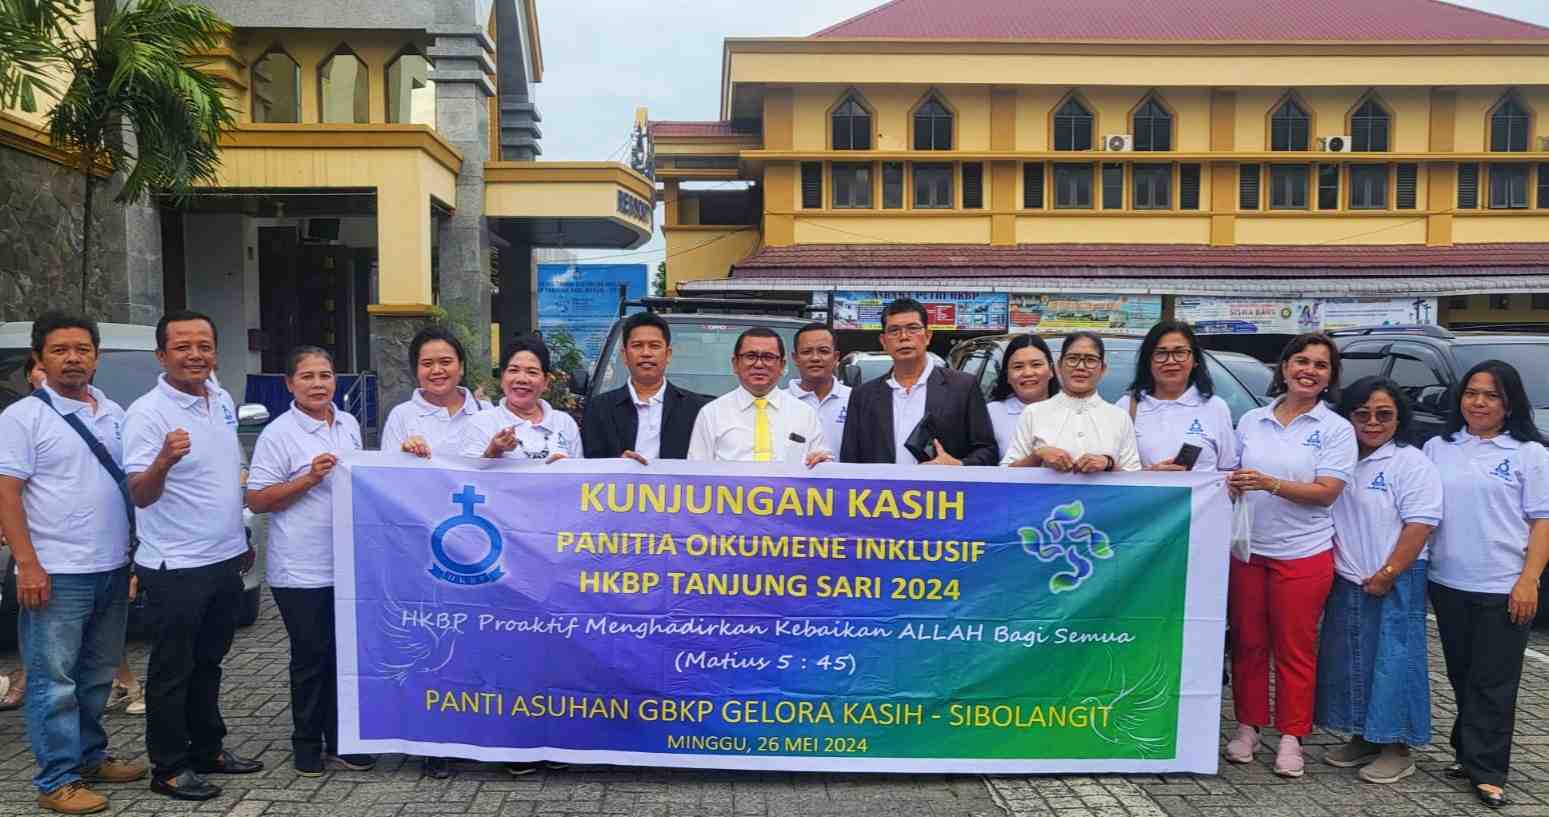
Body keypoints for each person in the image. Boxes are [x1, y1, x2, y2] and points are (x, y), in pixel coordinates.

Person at [0, 312, 148, 814]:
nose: (72, 358)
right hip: (55, 571)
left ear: (96, 357)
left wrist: (131, 561)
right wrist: (28, 564)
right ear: (39, 358)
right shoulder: (23, 418)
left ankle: (89, 758)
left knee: (97, 675)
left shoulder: (115, 413)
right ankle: (55, 781)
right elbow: (7, 494)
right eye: (60, 350)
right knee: (53, 682)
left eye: (82, 349)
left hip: (111, 567)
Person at [124, 310, 264, 801]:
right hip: (176, 565)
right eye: (182, 346)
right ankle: (168, 767)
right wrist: (163, 460)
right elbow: (140, 494)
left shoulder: (220, 398)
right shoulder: (146, 413)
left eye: (204, 345)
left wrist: (240, 542)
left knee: (209, 662)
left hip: (224, 557)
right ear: (161, 355)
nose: (195, 355)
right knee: (172, 670)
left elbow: (224, 475)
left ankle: (207, 749)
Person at [1224, 332, 1355, 778]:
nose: (1309, 371)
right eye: (1301, 361)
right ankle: (1248, 727)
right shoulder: (1252, 420)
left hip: (1303, 553)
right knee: (1247, 645)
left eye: (1320, 365)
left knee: (1294, 650)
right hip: (1248, 550)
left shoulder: (1335, 429)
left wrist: (1270, 484)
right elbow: (1231, 474)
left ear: (1330, 376)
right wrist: (1232, 483)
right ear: (1284, 368)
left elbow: (1327, 492)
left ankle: (1292, 736)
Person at [246, 347, 377, 778]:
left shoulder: (349, 424)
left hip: (347, 562)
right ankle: (305, 743)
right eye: (307, 376)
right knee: (310, 656)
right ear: (289, 384)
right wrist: (309, 478)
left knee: (343, 656)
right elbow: (257, 499)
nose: (318, 384)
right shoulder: (278, 434)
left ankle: (341, 740)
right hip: (300, 568)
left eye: (325, 375)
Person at [1424, 360, 1549, 809]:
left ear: (1509, 403)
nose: (1479, 402)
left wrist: (1529, 580)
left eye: (1492, 395)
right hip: (1447, 581)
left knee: (1494, 682)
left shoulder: (1530, 453)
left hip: (1503, 585)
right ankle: (1467, 752)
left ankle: (1488, 771)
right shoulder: (1438, 447)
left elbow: (1542, 522)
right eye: (1472, 392)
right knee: (1462, 675)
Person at [1315, 377, 1441, 784]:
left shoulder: (1410, 462)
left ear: (1399, 418)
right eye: (1362, 414)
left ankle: (1397, 748)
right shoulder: (1341, 457)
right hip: (1349, 578)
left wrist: (1389, 573)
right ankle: (1364, 737)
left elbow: (1421, 524)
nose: (1372, 423)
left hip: (1394, 577)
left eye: (1384, 415)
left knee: (1393, 664)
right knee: (1352, 661)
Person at [840, 299, 997, 465]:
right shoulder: (863, 396)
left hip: (942, 482)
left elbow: (988, 451)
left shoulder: (963, 387)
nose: (904, 337)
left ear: (928, 336)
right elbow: (850, 460)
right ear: (884, 341)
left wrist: (959, 464)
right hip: (881, 484)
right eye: (894, 331)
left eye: (913, 328)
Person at [688, 328, 830, 466]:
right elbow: (695, 472)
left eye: (768, 357)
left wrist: (821, 463)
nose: (759, 364)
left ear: (782, 365)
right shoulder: (711, 413)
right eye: (750, 356)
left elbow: (821, 469)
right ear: (735, 364)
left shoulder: (805, 414)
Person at [1002, 331, 1141, 472]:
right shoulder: (1033, 413)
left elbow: (1134, 477)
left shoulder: (1119, 418)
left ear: (1103, 369)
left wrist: (1108, 463)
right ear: (1059, 366)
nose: (1080, 367)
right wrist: (1038, 455)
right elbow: (1005, 473)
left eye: (1090, 360)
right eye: (1072, 359)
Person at [581, 312, 709, 462]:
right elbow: (589, 464)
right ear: (624, 355)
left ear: (668, 354)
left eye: (654, 346)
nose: (646, 353)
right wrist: (617, 464)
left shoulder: (696, 409)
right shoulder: (599, 408)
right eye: (637, 346)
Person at [1115, 320, 1236, 472]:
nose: (1171, 361)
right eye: (1161, 353)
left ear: (1195, 360)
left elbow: (1228, 470)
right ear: (1148, 361)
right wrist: (1150, 473)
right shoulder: (1126, 407)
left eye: (1180, 353)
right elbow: (1112, 470)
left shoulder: (1215, 407)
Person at [462, 335, 583, 464]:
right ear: (502, 378)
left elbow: (580, 472)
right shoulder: (481, 422)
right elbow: (467, 473)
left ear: (546, 381)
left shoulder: (564, 423)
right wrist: (492, 453)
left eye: (532, 372)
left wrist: (564, 468)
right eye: (513, 370)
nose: (522, 379)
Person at [381, 327, 489, 459]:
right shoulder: (401, 416)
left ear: (461, 367)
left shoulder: (485, 411)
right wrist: (404, 454)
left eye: (445, 362)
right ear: (416, 370)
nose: (437, 370)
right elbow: (387, 468)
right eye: (427, 364)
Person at [985, 334, 1058, 457]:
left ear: (1051, 370)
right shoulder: (992, 413)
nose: (1028, 373)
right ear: (1007, 375)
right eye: (1018, 367)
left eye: (1036, 365)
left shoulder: (1072, 410)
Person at [786, 323, 851, 454]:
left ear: (836, 357)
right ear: (795, 358)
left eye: (823, 351)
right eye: (806, 352)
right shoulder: (779, 402)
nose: (815, 358)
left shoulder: (855, 400)